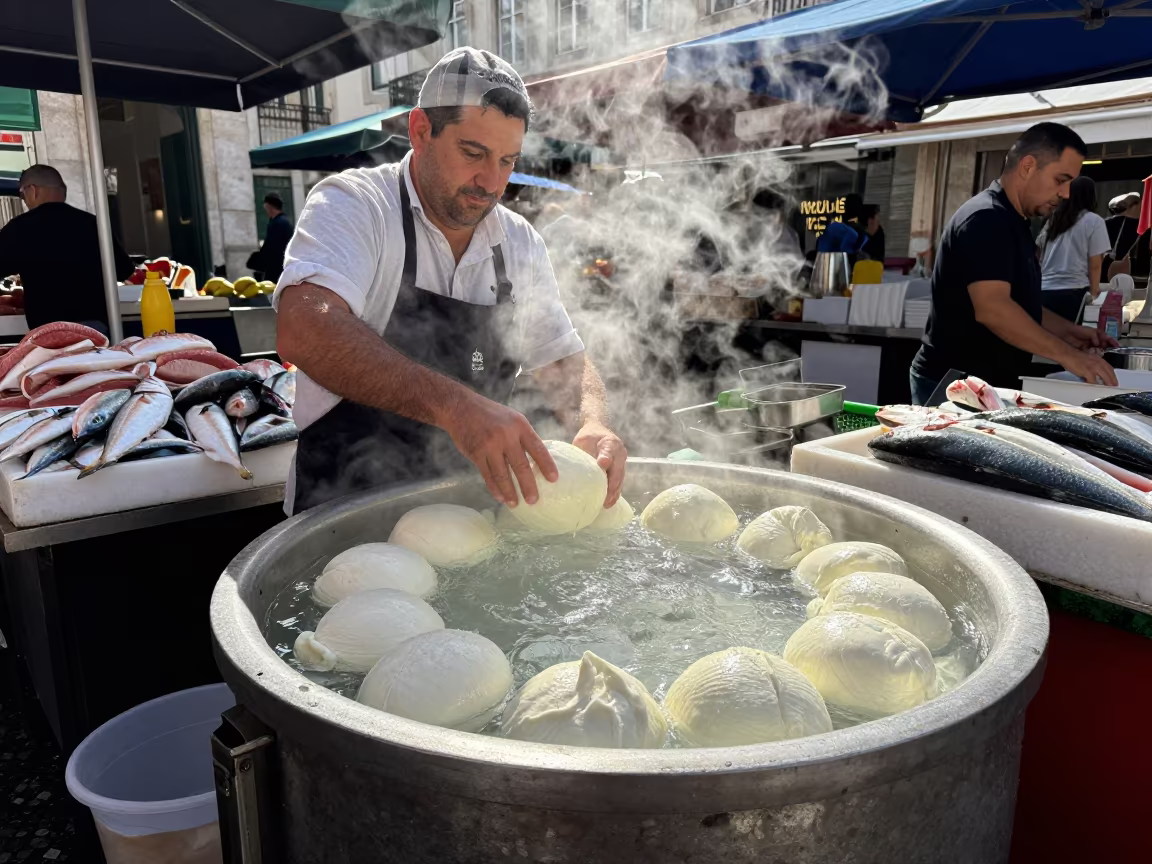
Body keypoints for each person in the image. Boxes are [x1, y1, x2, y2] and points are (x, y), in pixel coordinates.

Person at [275, 47, 626, 515]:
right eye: (473, 153)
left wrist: (593, 421)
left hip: (477, 517)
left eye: (507, 160)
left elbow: (561, 357)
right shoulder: (356, 205)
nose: (491, 181)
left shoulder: (519, 242)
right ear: (421, 131)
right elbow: (304, 329)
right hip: (344, 513)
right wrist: (455, 407)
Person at [910, 122, 1117, 405]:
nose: (1067, 193)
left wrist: (1071, 332)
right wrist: (1070, 356)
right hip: (955, 385)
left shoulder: (1014, 221)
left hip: (987, 384)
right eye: (1061, 180)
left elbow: (1020, 304)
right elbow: (994, 309)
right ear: (1028, 166)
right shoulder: (986, 218)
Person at [0, 164, 133, 334]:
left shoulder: (19, 228)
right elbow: (124, 270)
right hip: (96, 329)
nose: (24, 199)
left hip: (48, 332)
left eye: (22, 194)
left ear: (32, 190)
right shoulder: (93, 223)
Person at [1035, 176, 1110, 322]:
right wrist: (1093, 293)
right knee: (1069, 339)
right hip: (1073, 291)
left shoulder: (1053, 220)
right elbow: (1095, 263)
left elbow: (1037, 255)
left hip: (1044, 290)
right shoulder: (1094, 221)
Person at [250, 192, 293, 283]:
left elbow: (272, 249)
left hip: (277, 271)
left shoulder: (278, 224)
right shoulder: (283, 222)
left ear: (269, 207)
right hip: (282, 269)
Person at [1103, 191, 1146, 281]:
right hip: (1121, 270)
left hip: (1104, 268)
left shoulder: (1105, 223)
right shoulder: (1137, 225)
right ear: (1134, 207)